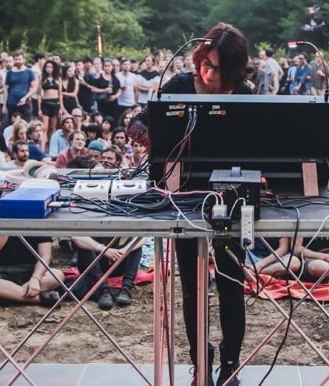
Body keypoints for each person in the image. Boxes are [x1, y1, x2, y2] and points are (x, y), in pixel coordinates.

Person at [127, 23, 250, 386]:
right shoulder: (180, 86)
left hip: (230, 199)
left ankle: (231, 365)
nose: (208, 73)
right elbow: (136, 123)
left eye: (217, 68)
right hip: (182, 198)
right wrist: (155, 141)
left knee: (231, 282)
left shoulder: (244, 94)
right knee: (193, 287)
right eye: (205, 64)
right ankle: (201, 363)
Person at [0, 235, 63, 312]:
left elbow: (45, 256)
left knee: (58, 275)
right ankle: (40, 299)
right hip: (0, 269)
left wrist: (36, 278)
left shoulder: (37, 217)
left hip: (31, 269)